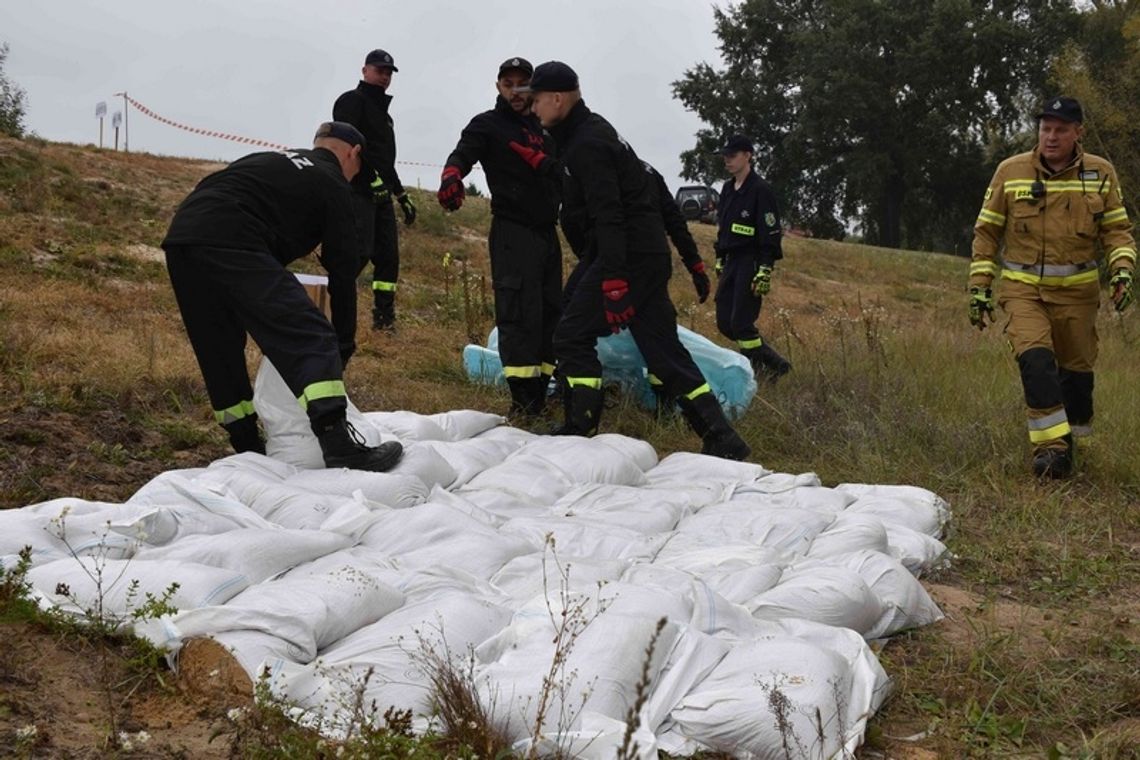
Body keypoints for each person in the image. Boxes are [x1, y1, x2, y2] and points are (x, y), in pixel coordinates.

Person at [522, 61, 750, 460]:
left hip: (627, 258)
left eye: (536, 99)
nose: (533, 108)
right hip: (642, 255)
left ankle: (581, 425)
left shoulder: (587, 143)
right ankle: (721, 435)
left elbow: (609, 213)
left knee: (571, 335)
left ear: (557, 98)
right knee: (663, 351)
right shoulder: (587, 134)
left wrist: (613, 279)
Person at [161, 121, 404, 472]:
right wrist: (342, 343)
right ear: (354, 154)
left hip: (183, 238)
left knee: (219, 348)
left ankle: (246, 448)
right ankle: (338, 444)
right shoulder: (332, 182)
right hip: (233, 236)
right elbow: (342, 272)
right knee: (309, 333)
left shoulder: (272, 162)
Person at [969, 96, 1135, 479]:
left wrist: (1122, 269)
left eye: (1061, 129)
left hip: (1079, 295)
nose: (1052, 137)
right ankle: (1051, 451)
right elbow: (986, 232)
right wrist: (980, 285)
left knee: (1076, 378)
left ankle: (1078, 443)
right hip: (1023, 291)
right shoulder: (1010, 172)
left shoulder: (1101, 173)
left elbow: (1117, 231)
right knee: (1036, 362)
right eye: (1046, 128)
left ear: (1078, 133)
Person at [437, 57, 562, 418]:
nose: (516, 91)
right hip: (513, 231)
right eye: (509, 84)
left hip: (547, 233)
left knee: (550, 313)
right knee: (519, 313)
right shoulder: (488, 125)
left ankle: (543, 392)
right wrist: (451, 177)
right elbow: (462, 154)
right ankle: (524, 403)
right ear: (498, 87)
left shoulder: (547, 128)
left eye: (524, 83)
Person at [333, 48, 417, 331]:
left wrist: (401, 194)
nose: (384, 77)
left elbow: (384, 159)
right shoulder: (350, 101)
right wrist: (371, 179)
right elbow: (347, 146)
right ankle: (329, 304)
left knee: (388, 257)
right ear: (365, 70)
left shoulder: (385, 115)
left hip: (381, 195)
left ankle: (384, 319)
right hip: (356, 190)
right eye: (379, 70)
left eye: (388, 73)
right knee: (360, 251)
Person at [713, 134, 792, 383]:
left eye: (732, 155)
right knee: (725, 322)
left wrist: (765, 268)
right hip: (731, 260)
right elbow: (723, 226)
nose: (728, 160)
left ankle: (767, 368)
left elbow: (770, 231)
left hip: (752, 260)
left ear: (748, 156)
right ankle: (769, 364)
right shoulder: (726, 189)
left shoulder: (761, 190)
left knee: (741, 323)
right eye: (725, 156)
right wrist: (720, 256)